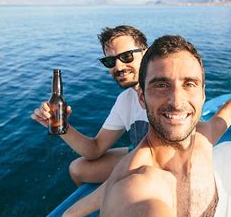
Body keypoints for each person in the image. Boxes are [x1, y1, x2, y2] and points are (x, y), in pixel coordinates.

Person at [53, 35, 231, 217]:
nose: (177, 101)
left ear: (203, 93)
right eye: (161, 85)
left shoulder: (204, 138)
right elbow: (137, 216)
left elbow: (227, 114)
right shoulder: (139, 180)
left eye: (189, 84)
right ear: (142, 98)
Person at [31, 25, 148, 186]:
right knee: (77, 169)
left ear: (146, 53)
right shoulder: (125, 100)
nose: (119, 66)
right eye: (110, 61)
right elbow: (95, 149)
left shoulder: (168, 91)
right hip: (139, 154)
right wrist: (61, 125)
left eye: (127, 56)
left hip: (163, 166)